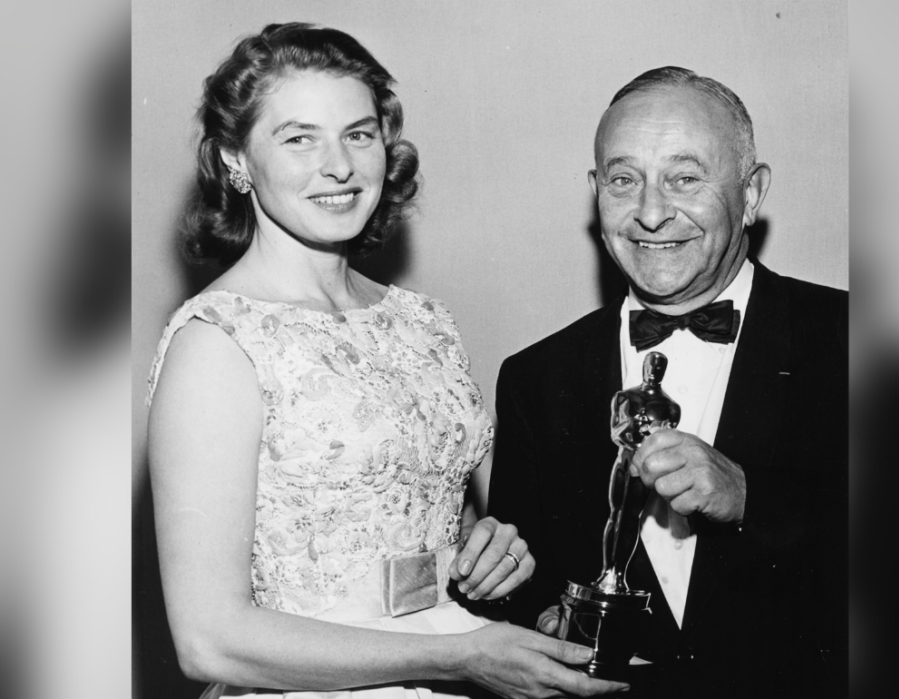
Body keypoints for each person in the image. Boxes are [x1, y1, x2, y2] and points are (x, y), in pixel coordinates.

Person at [147, 23, 628, 699]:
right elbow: (209, 637)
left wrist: (491, 553)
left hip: (454, 663)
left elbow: (425, 521)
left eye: (359, 133)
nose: (338, 165)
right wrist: (459, 656)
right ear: (235, 158)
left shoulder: (421, 320)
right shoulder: (218, 341)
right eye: (299, 137)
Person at [488, 67, 847, 698]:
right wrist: (541, 615)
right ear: (595, 191)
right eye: (625, 180)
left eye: (685, 178)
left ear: (752, 192)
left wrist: (749, 500)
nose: (652, 213)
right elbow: (529, 585)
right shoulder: (534, 379)